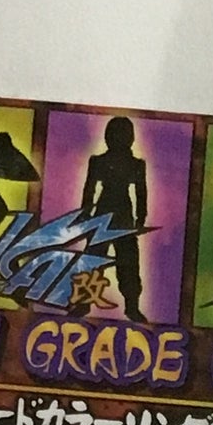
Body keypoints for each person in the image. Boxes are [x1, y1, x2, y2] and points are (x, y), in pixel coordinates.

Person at [81, 115, 151, 322]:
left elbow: (141, 193)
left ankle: (132, 306)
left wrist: (141, 217)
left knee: (128, 263)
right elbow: (89, 189)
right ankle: (84, 302)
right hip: (105, 214)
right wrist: (85, 213)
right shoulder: (99, 161)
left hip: (122, 215)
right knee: (93, 259)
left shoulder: (135, 164)